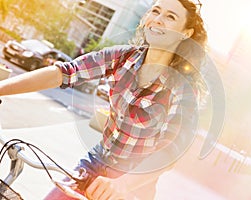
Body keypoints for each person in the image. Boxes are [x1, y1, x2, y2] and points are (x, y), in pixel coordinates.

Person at [0, 0, 207, 199]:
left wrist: (123, 183)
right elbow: (65, 72)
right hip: (95, 164)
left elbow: (171, 151)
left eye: (170, 16)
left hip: (134, 186)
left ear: (185, 34)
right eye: (155, 11)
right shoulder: (122, 58)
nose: (158, 19)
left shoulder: (183, 89)